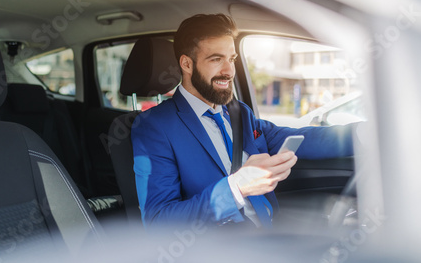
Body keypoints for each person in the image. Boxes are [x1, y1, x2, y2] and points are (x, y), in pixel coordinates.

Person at [131, 14, 355, 229]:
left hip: (269, 233)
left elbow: (304, 139)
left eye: (232, 59)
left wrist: (368, 134)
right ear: (187, 64)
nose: (229, 71)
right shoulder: (154, 127)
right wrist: (236, 188)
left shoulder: (239, 113)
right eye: (216, 59)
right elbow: (159, 221)